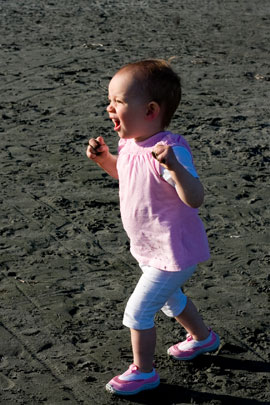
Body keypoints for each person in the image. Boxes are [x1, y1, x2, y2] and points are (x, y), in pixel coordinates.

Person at [86, 59, 220, 396]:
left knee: (138, 310)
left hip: (174, 249)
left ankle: (144, 372)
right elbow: (129, 177)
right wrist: (105, 161)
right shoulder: (130, 144)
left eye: (118, 101)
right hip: (149, 246)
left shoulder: (169, 151)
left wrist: (175, 168)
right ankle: (203, 338)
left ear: (149, 110)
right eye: (110, 99)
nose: (109, 107)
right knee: (170, 299)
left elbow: (195, 197)